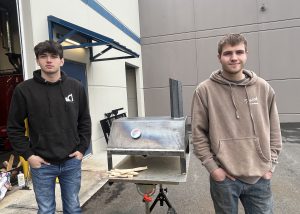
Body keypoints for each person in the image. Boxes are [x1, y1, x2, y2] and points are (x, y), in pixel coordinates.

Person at [191, 33, 282, 214]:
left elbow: (275, 130)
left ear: (246, 54)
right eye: (228, 53)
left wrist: (270, 166)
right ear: (219, 57)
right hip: (224, 179)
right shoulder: (204, 91)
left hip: (259, 177)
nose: (234, 58)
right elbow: (198, 134)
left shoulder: (263, 88)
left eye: (239, 52)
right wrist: (214, 169)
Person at [7, 40, 91, 213]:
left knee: (73, 208)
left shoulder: (76, 87)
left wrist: (82, 150)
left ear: (62, 60)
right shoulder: (24, 90)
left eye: (54, 56)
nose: (49, 60)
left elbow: (84, 121)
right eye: (43, 56)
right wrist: (29, 156)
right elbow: (14, 128)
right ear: (37, 60)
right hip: (42, 164)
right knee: (45, 210)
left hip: (71, 162)